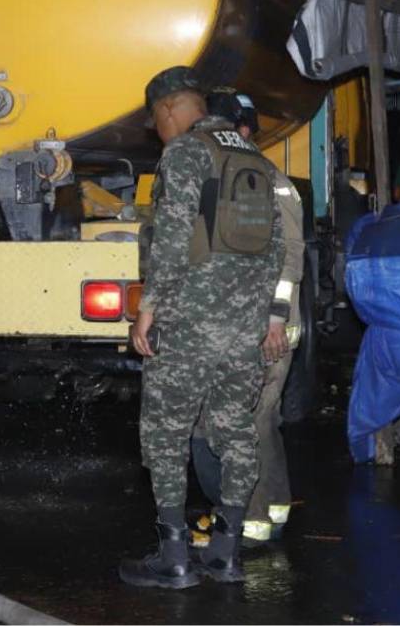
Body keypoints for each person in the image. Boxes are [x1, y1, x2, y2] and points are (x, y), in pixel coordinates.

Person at [119, 67, 284, 590]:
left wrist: (150, 307)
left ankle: (173, 558)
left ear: (169, 112)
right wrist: (257, 318)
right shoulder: (253, 157)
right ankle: (226, 554)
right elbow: (274, 249)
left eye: (157, 123)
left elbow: (169, 238)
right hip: (242, 330)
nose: (159, 133)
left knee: (166, 433)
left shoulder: (187, 152)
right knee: (236, 432)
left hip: (189, 324)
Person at [189, 89, 306, 547]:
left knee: (248, 422)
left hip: (266, 329)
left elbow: (289, 257)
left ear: (241, 132)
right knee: (260, 420)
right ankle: (270, 511)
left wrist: (274, 320)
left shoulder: (266, 181)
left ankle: (246, 527)